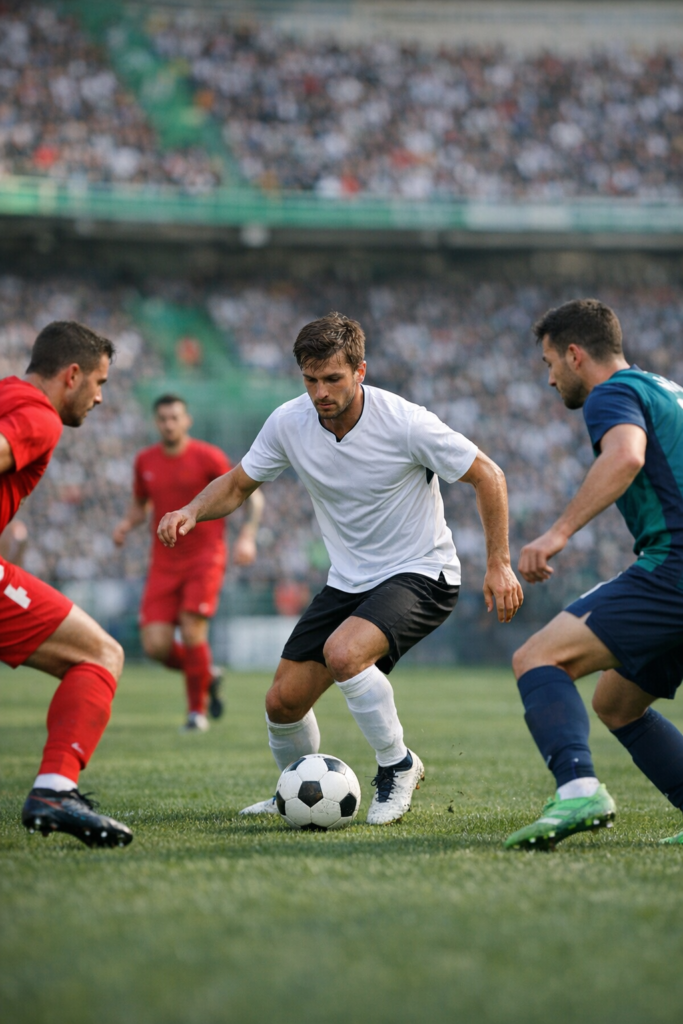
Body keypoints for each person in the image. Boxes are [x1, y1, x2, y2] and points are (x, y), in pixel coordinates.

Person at [158, 312, 523, 824]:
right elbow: (239, 484)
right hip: (349, 581)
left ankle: (398, 765)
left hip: (423, 572)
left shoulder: (405, 421)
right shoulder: (289, 422)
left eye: (332, 378)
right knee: (282, 702)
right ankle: (293, 790)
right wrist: (192, 510)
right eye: (310, 380)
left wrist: (500, 564)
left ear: (360, 371)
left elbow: (489, 475)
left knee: (345, 652)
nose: (320, 392)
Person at [505, 298, 683, 851]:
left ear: (575, 354)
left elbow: (626, 457)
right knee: (617, 703)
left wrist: (557, 532)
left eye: (549, 363)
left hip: (675, 565)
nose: (550, 378)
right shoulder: (664, 388)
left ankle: (578, 788)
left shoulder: (611, 394)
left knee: (537, 657)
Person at [1, 321, 132, 848]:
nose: (99, 397)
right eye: (99, 383)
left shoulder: (7, 392)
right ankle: (56, 789)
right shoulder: (39, 416)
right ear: (72, 375)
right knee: (99, 655)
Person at [113, 394, 263, 731]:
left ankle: (196, 712)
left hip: (204, 558)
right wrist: (126, 524)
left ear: (187, 421)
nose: (169, 424)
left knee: (193, 629)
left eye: (174, 417)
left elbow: (247, 493)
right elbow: (140, 504)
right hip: (163, 563)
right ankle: (205, 673)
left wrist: (248, 536)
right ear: (156, 422)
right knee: (155, 646)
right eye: (163, 418)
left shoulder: (207, 456)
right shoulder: (145, 461)